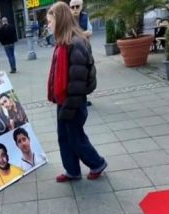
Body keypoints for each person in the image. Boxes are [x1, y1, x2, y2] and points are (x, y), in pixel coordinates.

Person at [47, 2, 107, 183]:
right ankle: (72, 170)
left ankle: (97, 163)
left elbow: (78, 82)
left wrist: (69, 106)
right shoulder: (63, 43)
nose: (48, 25)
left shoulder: (75, 43)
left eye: (50, 21)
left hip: (72, 101)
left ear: (60, 21)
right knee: (64, 137)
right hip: (64, 100)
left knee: (75, 137)